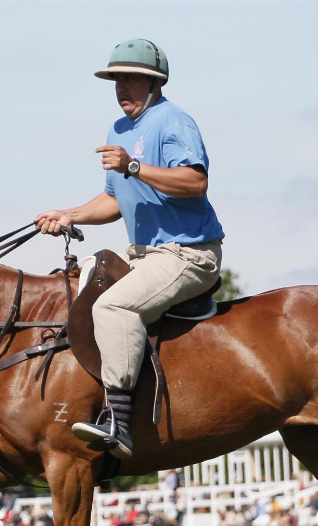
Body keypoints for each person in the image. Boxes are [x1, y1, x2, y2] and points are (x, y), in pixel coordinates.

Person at [36, 39, 224, 460]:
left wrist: (133, 166)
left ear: (155, 83)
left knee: (113, 308)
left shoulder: (173, 121)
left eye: (131, 79)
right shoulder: (118, 131)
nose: (122, 87)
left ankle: (118, 423)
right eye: (116, 80)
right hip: (144, 256)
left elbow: (196, 183)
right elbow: (114, 201)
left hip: (189, 255)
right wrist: (68, 214)